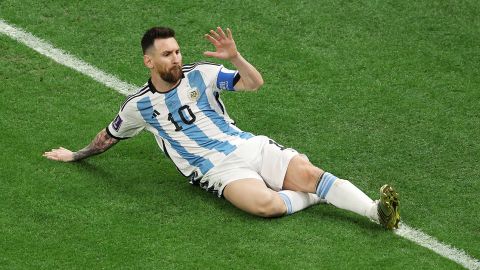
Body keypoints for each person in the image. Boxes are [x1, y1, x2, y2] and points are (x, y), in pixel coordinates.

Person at [43, 26, 400, 229]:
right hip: (217, 171)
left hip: (247, 146)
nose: (177, 58)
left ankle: (374, 211)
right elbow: (109, 136)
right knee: (266, 206)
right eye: (167, 54)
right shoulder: (139, 106)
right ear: (148, 60)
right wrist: (76, 155)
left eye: (178, 51)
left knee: (310, 172)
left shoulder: (203, 73)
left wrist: (235, 58)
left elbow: (254, 84)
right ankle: (319, 194)